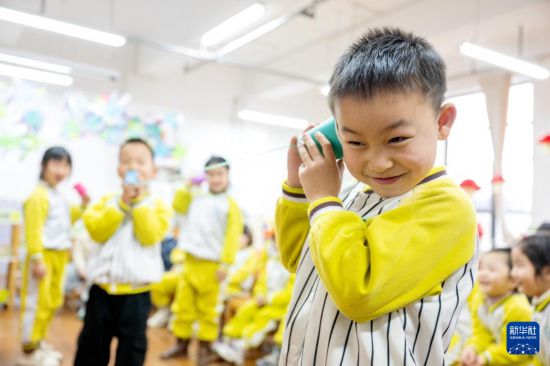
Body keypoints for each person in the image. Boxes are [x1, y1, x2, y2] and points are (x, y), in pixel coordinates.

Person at [275, 27, 478, 365]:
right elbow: (302, 261)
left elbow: (359, 291)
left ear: (442, 122)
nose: (378, 163)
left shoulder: (446, 206)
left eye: (397, 139)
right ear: (337, 135)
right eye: (355, 142)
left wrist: (325, 200)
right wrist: (299, 189)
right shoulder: (356, 195)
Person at [73, 137, 171, 366]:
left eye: (140, 162)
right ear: (119, 170)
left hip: (137, 295)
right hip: (101, 291)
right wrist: (122, 204)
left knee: (131, 351)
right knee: (91, 348)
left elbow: (150, 236)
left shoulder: (158, 205)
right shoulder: (107, 201)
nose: (133, 167)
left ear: (153, 171)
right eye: (127, 161)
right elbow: (96, 231)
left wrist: (138, 203)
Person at [161, 155, 243, 366]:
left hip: (212, 265)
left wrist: (226, 264)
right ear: (205, 175)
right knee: (183, 305)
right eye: (211, 174)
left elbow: (232, 237)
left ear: (227, 175)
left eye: (220, 174)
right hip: (189, 261)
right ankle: (181, 343)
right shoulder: (196, 196)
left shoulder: (231, 204)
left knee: (208, 309)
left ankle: (205, 347)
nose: (215, 179)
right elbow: (178, 206)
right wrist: (187, 186)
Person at [18, 146, 88, 366]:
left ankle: (38, 342)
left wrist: (84, 205)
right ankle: (28, 351)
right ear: (43, 166)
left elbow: (68, 219)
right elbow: (33, 230)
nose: (62, 170)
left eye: (66, 165)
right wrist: (37, 258)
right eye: (56, 164)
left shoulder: (57, 194)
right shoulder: (38, 196)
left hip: (58, 255)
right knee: (36, 302)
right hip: (43, 256)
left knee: (51, 302)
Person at [461, 249, 532, 365]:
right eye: (480, 268)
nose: (483, 273)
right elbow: (481, 332)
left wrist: (487, 357)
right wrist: (473, 348)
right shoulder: (479, 299)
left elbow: (522, 350)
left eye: (492, 269)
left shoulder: (519, 308)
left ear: (513, 280)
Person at [512, 234, 550, 366]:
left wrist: (486, 357)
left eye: (520, 265)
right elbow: (531, 353)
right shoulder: (536, 304)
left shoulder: (520, 306)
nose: (513, 273)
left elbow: (520, 354)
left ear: (547, 272)